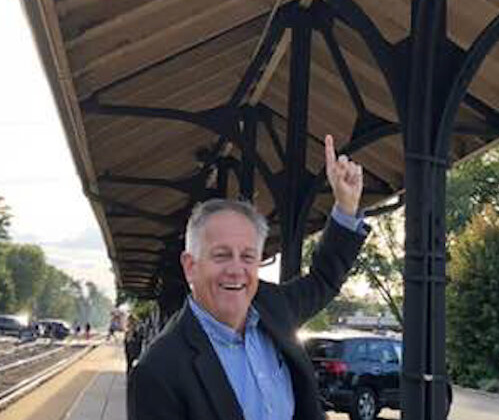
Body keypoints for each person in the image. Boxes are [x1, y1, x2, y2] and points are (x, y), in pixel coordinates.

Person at [128, 135, 367, 420]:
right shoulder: (158, 370)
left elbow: (324, 279)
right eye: (221, 255)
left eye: (248, 256)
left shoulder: (274, 307)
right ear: (190, 266)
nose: (236, 269)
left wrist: (345, 208)